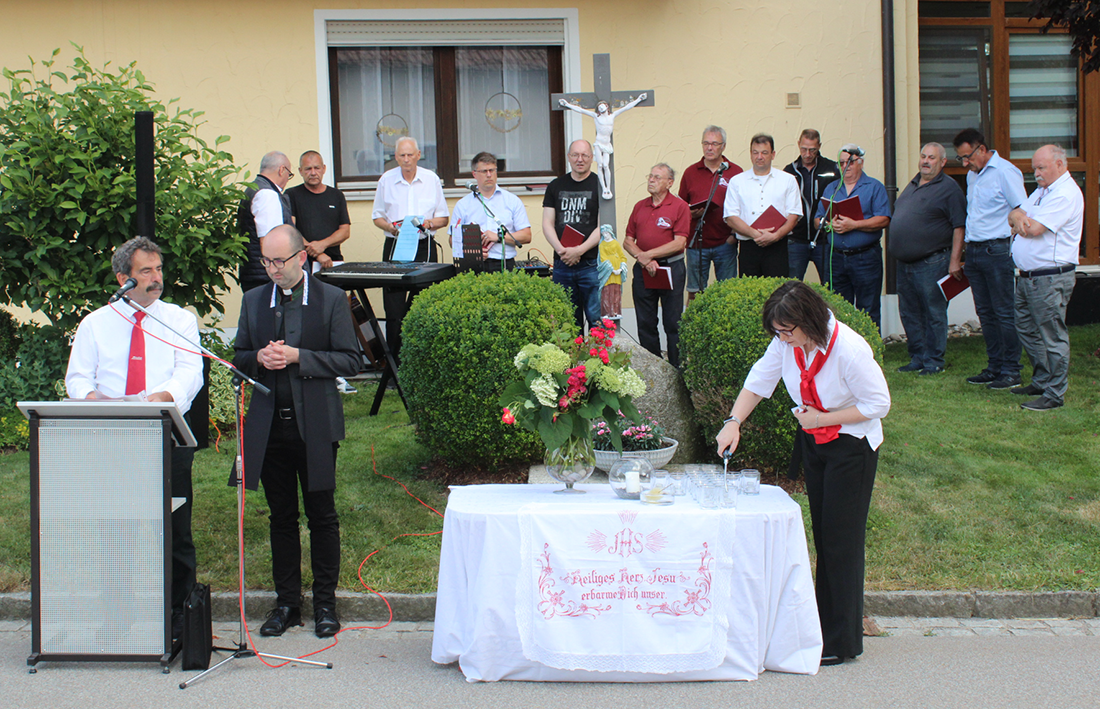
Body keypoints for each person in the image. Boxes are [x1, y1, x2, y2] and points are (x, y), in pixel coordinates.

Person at [715, 280, 889, 667]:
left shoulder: (849, 350)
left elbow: (878, 403)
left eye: (786, 331)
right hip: (815, 440)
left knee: (841, 541)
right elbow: (760, 380)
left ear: (808, 320)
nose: (781, 338)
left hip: (851, 447)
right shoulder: (786, 345)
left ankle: (842, 641)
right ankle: (822, 629)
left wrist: (824, 418)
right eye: (776, 332)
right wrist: (733, 421)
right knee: (823, 535)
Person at [65, 236, 204, 641]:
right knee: (115, 530)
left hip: (167, 436)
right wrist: (96, 402)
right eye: (146, 271)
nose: (156, 278)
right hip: (112, 440)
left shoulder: (177, 320)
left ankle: (179, 615)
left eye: (159, 269)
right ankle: (117, 614)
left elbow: (189, 373)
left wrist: (158, 400)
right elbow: (77, 379)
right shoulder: (96, 324)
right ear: (123, 278)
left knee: (175, 529)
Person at [233, 224, 361, 638]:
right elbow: (238, 358)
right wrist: (259, 357)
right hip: (269, 428)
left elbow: (350, 360)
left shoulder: (330, 299)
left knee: (322, 516)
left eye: (279, 261)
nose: (271, 269)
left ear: (301, 257)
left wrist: (297, 357)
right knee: (281, 518)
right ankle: (286, 602)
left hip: (317, 425)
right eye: (265, 261)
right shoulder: (254, 300)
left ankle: (325, 602)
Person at [1007, 144, 1083, 411]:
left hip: (1050, 277)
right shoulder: (1042, 192)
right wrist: (1019, 218)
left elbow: (1033, 228)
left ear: (1060, 165)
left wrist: (1022, 221)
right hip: (1028, 276)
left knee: (1052, 335)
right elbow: (1014, 215)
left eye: (1041, 167)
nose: (1036, 173)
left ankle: (1054, 393)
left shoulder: (1065, 194)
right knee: (1026, 329)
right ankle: (1041, 380)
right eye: (1034, 168)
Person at [952, 128, 1028, 390]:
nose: (965, 163)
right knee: (985, 312)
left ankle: (1011, 370)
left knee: (1004, 312)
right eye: (961, 158)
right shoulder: (974, 175)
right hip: (975, 251)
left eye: (967, 157)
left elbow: (1020, 208)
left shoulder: (1005, 172)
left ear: (981, 149)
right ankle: (995, 366)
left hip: (996, 250)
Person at [371, 137, 449, 365]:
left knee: (424, 304)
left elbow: (443, 217)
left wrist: (429, 224)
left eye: (410, 155)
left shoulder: (431, 179)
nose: (406, 159)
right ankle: (394, 365)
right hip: (396, 245)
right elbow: (377, 216)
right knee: (394, 307)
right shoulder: (386, 179)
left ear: (418, 154)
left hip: (424, 245)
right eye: (401, 155)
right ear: (395, 157)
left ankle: (422, 364)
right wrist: (391, 228)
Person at [891, 143, 967, 375]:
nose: (925, 161)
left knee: (933, 313)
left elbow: (959, 226)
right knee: (910, 312)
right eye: (923, 156)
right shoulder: (913, 183)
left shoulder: (949, 189)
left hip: (932, 262)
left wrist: (955, 260)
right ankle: (917, 357)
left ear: (942, 162)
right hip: (905, 264)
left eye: (931, 158)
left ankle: (934, 360)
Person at [814, 144, 891, 329]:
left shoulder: (874, 187)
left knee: (868, 308)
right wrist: (828, 224)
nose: (845, 168)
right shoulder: (832, 188)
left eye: (850, 163)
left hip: (865, 257)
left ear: (860, 163)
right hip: (837, 257)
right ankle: (843, 354)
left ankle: (870, 352)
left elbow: (884, 219)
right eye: (841, 164)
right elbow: (817, 219)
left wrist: (854, 225)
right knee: (838, 308)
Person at [623, 163, 691, 366]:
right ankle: (652, 366)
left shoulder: (680, 207)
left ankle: (676, 369)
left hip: (671, 268)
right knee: (645, 321)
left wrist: (648, 255)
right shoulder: (640, 206)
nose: (651, 180)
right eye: (650, 176)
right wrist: (644, 260)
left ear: (670, 183)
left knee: (672, 322)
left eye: (657, 177)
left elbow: (680, 242)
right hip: (644, 270)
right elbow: (627, 240)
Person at [542, 140, 603, 331]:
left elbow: (603, 227)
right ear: (569, 157)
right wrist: (562, 251)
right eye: (575, 155)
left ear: (591, 158)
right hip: (562, 264)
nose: (580, 159)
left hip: (591, 264)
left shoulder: (600, 185)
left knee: (596, 319)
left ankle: (598, 359)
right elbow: (547, 223)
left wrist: (579, 250)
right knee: (568, 322)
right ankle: (573, 360)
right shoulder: (555, 185)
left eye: (585, 155)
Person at [724, 134, 802, 277]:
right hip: (748, 246)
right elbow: (730, 216)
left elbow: (794, 215)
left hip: (778, 246)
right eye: (755, 152)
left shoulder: (788, 180)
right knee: (749, 293)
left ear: (773, 154)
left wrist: (776, 235)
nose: (759, 157)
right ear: (750, 154)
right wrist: (755, 234)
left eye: (764, 153)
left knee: (777, 293)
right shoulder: (737, 181)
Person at [678, 125, 742, 301]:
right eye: (706, 143)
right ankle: (692, 329)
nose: (709, 148)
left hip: (725, 242)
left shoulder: (736, 172)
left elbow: (743, 208)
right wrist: (692, 214)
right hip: (696, 243)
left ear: (724, 146)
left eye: (714, 143)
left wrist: (733, 236)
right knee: (695, 293)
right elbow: (680, 208)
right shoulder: (690, 172)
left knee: (728, 293)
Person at [449, 151, 531, 271]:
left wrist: (499, 236)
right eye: (484, 171)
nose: (489, 175)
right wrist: (471, 252)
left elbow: (526, 236)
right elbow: (453, 240)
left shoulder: (512, 200)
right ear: (474, 174)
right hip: (474, 263)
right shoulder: (463, 204)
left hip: (504, 263)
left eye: (492, 170)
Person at [558, 93, 646, 199]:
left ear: (607, 107)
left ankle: (608, 188)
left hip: (606, 144)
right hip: (599, 144)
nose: (601, 107)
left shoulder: (612, 116)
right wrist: (567, 104)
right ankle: (604, 188)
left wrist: (639, 99)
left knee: (606, 165)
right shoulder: (596, 116)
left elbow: (626, 107)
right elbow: (581, 110)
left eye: (603, 105)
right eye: (599, 106)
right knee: (600, 166)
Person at [784, 129, 840, 282]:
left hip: (825, 239)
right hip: (796, 239)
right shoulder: (789, 171)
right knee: (792, 287)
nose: (807, 154)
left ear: (819, 147)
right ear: (798, 145)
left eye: (812, 150)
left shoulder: (832, 169)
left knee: (830, 285)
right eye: (804, 149)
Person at [238, 151, 294, 293]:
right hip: (266, 279)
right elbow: (270, 241)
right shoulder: (267, 195)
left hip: (254, 273)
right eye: (289, 175)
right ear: (282, 170)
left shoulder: (252, 189)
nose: (288, 179)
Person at [287, 150, 351, 272]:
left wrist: (323, 244)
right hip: (302, 263)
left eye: (317, 168)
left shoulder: (337, 195)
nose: (313, 173)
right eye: (308, 169)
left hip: (333, 261)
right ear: (300, 171)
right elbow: (291, 230)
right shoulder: (291, 195)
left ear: (324, 169)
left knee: (335, 292)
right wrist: (317, 254)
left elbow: (345, 231)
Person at [597, 224, 629, 318]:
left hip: (617, 268)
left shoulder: (615, 243)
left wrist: (621, 268)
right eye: (603, 233)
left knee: (616, 292)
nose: (605, 235)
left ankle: (616, 311)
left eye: (606, 233)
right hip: (607, 270)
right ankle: (606, 312)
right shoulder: (602, 244)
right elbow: (603, 258)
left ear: (610, 233)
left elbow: (621, 255)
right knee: (606, 291)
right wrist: (611, 269)